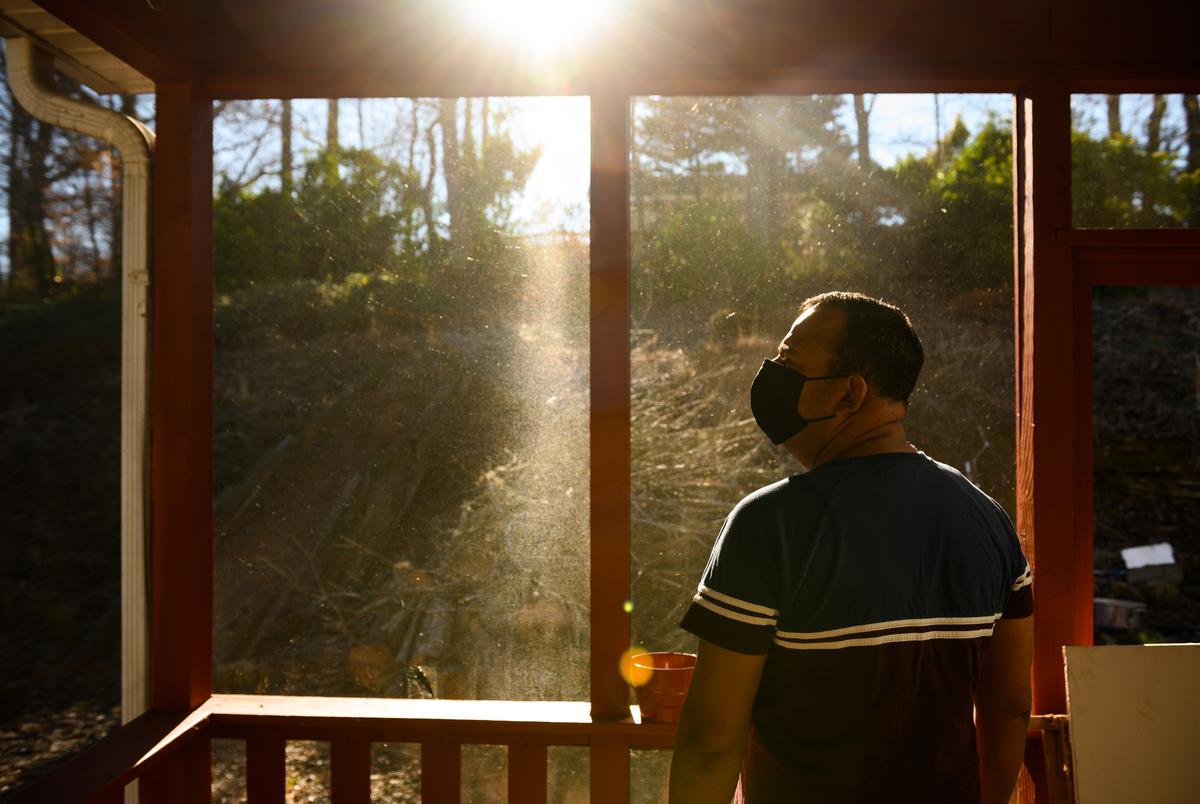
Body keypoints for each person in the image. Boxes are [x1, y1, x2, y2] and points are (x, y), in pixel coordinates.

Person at [668, 292, 1034, 804]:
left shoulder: (769, 525)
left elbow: (711, 741)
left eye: (790, 361)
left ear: (849, 394)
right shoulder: (989, 521)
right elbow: (1010, 706)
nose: (772, 373)